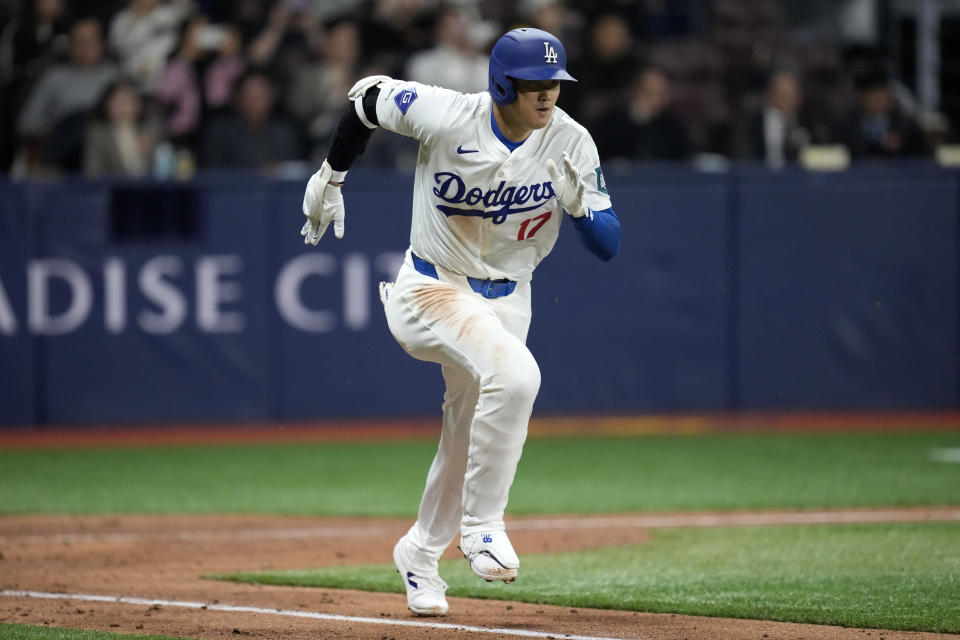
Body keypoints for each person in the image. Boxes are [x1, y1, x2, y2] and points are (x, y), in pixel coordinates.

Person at [299, 27, 621, 616]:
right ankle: (482, 527)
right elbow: (365, 99)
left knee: (467, 432)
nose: (547, 96)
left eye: (554, 83)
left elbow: (609, 244)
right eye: (533, 85)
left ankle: (420, 555)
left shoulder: (571, 141)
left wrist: (583, 213)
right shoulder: (449, 115)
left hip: (509, 297)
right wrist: (330, 175)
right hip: (431, 289)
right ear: (502, 83)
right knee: (519, 377)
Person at [595, 66, 692, 162]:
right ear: (634, 91)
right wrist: (638, 119)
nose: (654, 100)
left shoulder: (673, 126)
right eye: (649, 92)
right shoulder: (612, 121)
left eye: (660, 94)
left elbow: (686, 159)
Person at [83, 78, 161, 177]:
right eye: (117, 101)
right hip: (112, 188)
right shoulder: (97, 134)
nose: (123, 106)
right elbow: (92, 171)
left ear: (138, 104)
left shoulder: (151, 128)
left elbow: (165, 165)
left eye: (128, 100)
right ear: (106, 104)